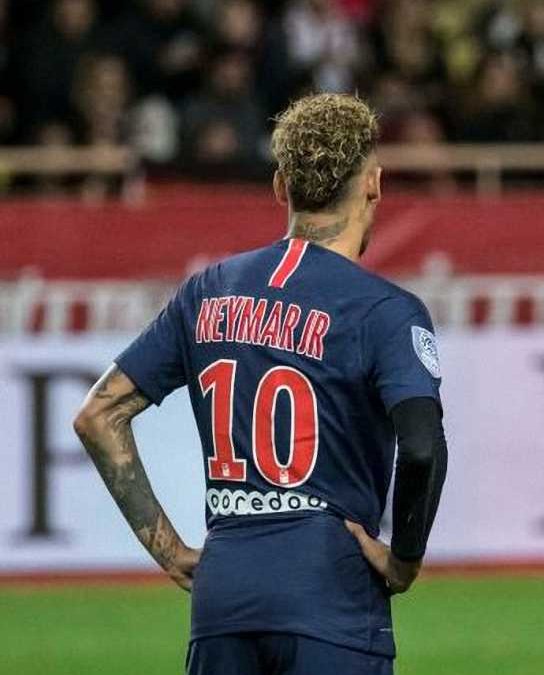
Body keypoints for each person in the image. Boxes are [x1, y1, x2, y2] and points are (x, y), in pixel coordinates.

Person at [72, 93, 448, 675]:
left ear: (279, 187)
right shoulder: (386, 311)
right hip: (332, 592)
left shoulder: (209, 290)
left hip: (224, 593)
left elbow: (98, 415)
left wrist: (169, 550)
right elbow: (422, 446)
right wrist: (405, 558)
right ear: (374, 184)